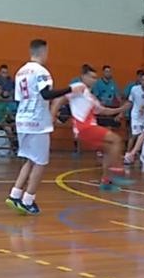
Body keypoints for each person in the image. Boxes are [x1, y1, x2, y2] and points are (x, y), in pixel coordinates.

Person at [5, 38, 79, 216]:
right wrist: (69, 90)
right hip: (37, 122)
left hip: (21, 120)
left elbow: (19, 98)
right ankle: (28, 200)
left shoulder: (20, 71)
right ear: (43, 52)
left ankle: (15, 194)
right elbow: (46, 94)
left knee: (29, 159)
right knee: (40, 162)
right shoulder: (42, 71)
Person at [53, 64, 130, 192]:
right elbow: (60, 98)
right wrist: (53, 115)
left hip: (87, 129)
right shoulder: (79, 87)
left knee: (109, 150)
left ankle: (106, 181)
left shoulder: (90, 96)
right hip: (85, 128)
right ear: (83, 77)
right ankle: (118, 172)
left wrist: (121, 109)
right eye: (91, 77)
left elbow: (103, 110)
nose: (94, 80)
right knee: (116, 140)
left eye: (95, 77)